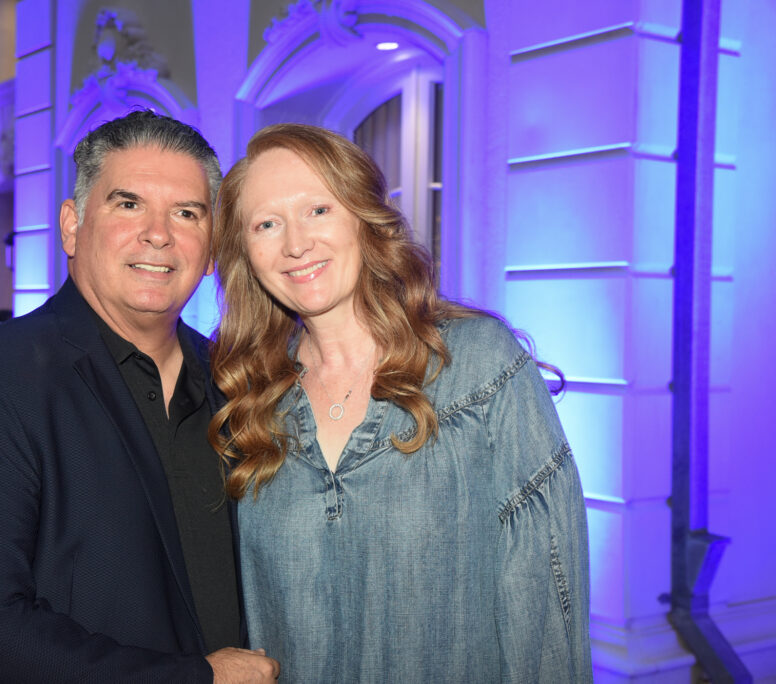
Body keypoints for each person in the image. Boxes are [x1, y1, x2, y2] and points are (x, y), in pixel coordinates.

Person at [208, 123, 592, 683]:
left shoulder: (478, 366)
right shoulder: (247, 399)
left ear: (364, 219)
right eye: (267, 224)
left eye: (318, 210)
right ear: (246, 254)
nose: (295, 244)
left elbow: (546, 597)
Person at [0, 110, 279, 683]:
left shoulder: (240, 386)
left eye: (186, 212)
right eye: (128, 204)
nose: (159, 233)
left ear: (209, 253)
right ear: (72, 226)